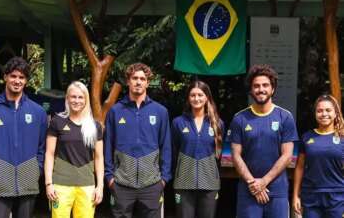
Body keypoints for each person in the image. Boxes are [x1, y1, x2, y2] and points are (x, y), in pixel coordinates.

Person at [0, 57, 48, 218]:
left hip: (28, 181)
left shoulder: (38, 112)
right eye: (13, 76)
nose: (17, 81)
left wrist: (37, 170)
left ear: (26, 81)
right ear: (5, 77)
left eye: (21, 77)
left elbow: (43, 146)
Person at [228, 64, 298, 218]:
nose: (261, 89)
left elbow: (287, 156)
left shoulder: (285, 117)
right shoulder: (239, 119)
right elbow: (235, 155)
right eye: (256, 86)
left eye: (265, 85)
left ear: (272, 89)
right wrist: (253, 184)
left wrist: (264, 182)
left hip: (277, 192)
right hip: (248, 191)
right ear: (251, 90)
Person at [104, 63, 172, 218]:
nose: (138, 82)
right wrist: (109, 178)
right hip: (121, 183)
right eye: (135, 78)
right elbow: (108, 145)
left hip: (152, 184)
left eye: (142, 78)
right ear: (128, 81)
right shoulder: (115, 111)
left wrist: (164, 179)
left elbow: (166, 146)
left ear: (148, 82)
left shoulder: (160, 111)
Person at [44, 81, 104, 218]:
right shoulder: (57, 122)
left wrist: (100, 186)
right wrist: (48, 183)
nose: (77, 101)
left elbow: (99, 157)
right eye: (73, 97)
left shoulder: (95, 126)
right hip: (60, 185)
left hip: (87, 185)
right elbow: (49, 154)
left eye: (80, 97)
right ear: (67, 98)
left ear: (86, 100)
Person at [172, 80, 223, 218]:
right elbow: (173, 152)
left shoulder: (217, 123)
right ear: (188, 98)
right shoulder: (178, 122)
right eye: (192, 95)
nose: (196, 98)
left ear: (207, 97)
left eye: (200, 95)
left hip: (210, 183)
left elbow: (219, 155)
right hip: (183, 182)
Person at [292, 94, 344, 218]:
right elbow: (299, 167)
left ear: (336, 113)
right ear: (315, 114)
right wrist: (295, 196)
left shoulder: (342, 138)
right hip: (311, 196)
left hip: (337, 197)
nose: (324, 114)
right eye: (319, 111)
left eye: (328, 110)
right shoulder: (307, 137)